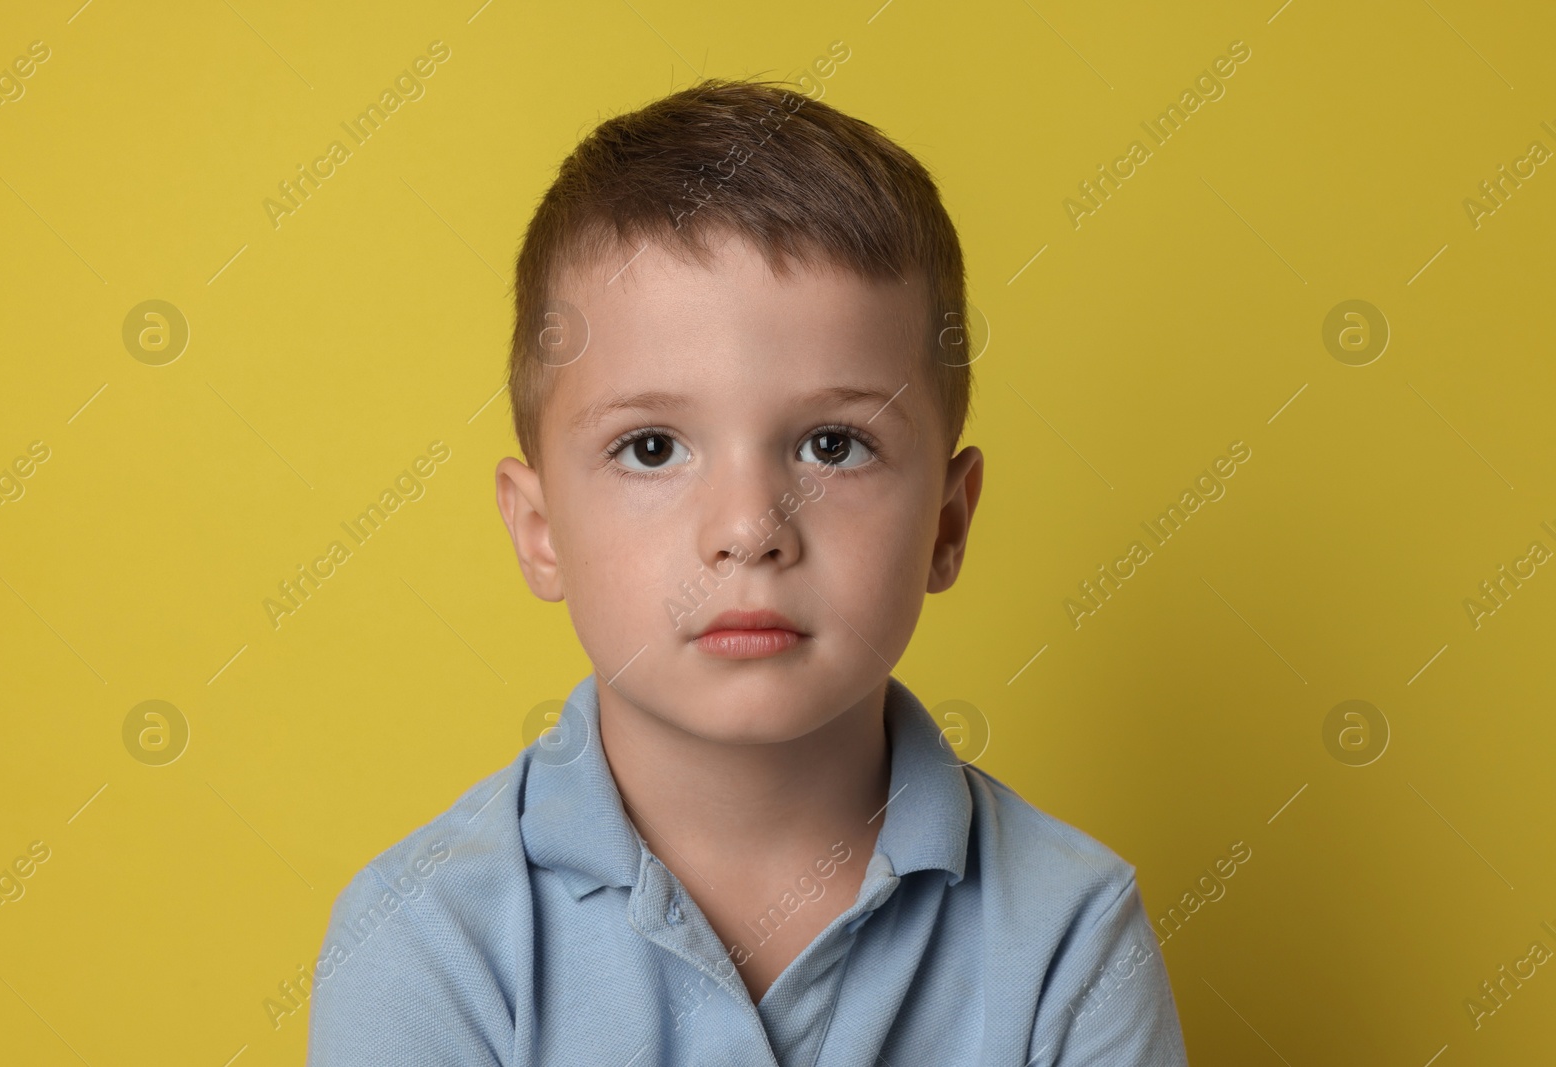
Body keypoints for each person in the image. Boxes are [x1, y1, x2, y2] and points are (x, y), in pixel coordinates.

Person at [307, 76, 1187, 1066]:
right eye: (650, 447)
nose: (748, 528)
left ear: (945, 521)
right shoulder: (426, 942)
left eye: (830, 444)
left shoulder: (1071, 936)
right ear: (540, 527)